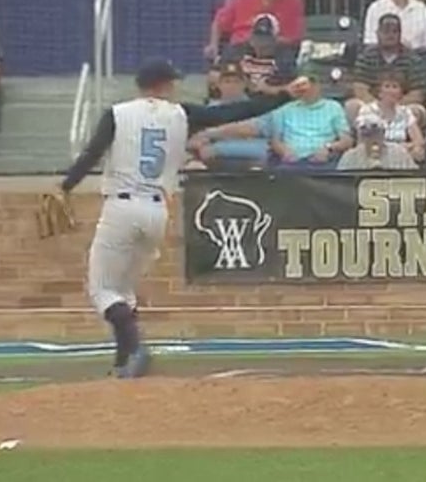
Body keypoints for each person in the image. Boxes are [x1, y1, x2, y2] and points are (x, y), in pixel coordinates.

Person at [56, 59, 306, 378]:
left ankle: (135, 348)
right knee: (125, 291)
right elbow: (232, 112)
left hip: (121, 206)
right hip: (157, 210)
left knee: (103, 291)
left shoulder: (118, 113)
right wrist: (283, 95)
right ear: (161, 84)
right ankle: (123, 364)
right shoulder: (180, 113)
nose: (174, 87)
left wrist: (65, 187)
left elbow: (91, 155)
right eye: (170, 82)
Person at [347, 13, 426, 124]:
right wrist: (379, 106)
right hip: (372, 105)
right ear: (377, 33)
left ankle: (408, 139)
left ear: (400, 34)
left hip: (403, 106)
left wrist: (394, 106)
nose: (390, 35)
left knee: (416, 111)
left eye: (395, 32)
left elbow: (417, 93)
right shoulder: (366, 56)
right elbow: (360, 89)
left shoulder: (413, 59)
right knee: (352, 106)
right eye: (386, 32)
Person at [204, 0, 304, 61]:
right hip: (242, 46)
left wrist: (267, 41)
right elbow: (218, 22)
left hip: (275, 48)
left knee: (285, 58)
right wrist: (213, 44)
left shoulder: (293, 2)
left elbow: (292, 39)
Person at [354, 71, 425, 162]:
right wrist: (402, 146)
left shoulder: (405, 112)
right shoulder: (367, 110)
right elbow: (362, 142)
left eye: (395, 87)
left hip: (400, 157)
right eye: (387, 86)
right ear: (379, 92)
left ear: (400, 93)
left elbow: (418, 141)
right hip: (375, 156)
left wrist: (413, 148)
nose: (391, 91)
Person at [362, 0, 426, 53]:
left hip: (418, 59)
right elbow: (370, 43)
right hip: (384, 60)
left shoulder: (421, 9)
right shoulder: (376, 8)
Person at [337, 113, 418, 170]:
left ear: (383, 133)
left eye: (376, 133)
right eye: (367, 135)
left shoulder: (400, 153)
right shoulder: (349, 158)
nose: (372, 139)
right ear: (360, 137)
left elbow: (413, 177)